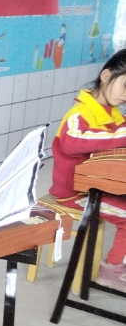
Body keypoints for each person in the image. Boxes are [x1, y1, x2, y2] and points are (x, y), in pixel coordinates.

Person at [50, 49, 126, 292]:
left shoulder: (113, 113)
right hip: (76, 193)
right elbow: (73, 143)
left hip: (101, 184)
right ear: (106, 75)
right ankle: (111, 270)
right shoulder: (79, 114)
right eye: (125, 86)